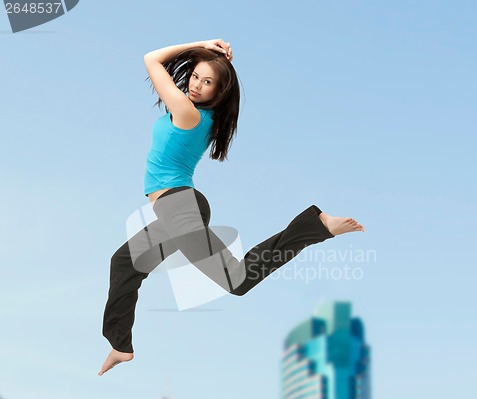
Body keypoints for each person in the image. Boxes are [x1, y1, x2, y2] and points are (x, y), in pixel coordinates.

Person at [98, 38, 365, 376]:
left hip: (178, 206)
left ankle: (317, 225)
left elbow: (151, 59)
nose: (196, 85)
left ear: (218, 92)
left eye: (207, 82)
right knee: (124, 263)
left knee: (236, 279)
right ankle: (120, 345)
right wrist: (208, 52)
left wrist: (200, 44)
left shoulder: (186, 112)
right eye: (195, 76)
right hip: (177, 206)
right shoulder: (198, 114)